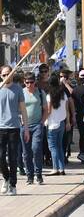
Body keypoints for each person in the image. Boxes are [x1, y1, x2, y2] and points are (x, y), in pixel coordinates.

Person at [1, 66, 30, 196]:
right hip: (0, 128)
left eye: (8, 74)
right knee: (0, 157)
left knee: (13, 158)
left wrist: (26, 129)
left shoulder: (18, 89)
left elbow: (23, 110)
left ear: (12, 74)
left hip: (14, 127)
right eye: (3, 75)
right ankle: (6, 178)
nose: (6, 76)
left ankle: (13, 184)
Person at [21, 73, 47, 185]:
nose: (29, 85)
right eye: (27, 82)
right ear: (24, 82)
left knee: (36, 149)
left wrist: (42, 122)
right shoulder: (21, 93)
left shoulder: (40, 93)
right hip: (24, 126)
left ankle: (38, 174)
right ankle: (30, 176)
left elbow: (46, 109)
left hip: (37, 125)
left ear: (35, 82)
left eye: (31, 82)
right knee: (26, 153)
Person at [46, 75, 70, 176]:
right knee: (60, 146)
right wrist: (68, 122)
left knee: (53, 147)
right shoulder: (63, 94)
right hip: (62, 123)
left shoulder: (49, 95)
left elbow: (48, 110)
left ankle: (55, 168)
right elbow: (67, 109)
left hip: (52, 124)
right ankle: (61, 168)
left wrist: (44, 120)